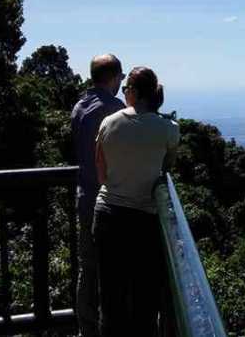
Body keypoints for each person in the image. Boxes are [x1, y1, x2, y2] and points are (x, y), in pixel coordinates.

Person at [93, 66, 180, 337]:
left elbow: (101, 173)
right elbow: (165, 170)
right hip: (145, 220)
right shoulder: (169, 129)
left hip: (107, 215)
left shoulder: (109, 123)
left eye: (126, 89)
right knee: (145, 301)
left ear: (133, 92)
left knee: (110, 299)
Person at [70, 54, 126, 337]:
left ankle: (87, 329)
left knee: (87, 268)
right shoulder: (114, 110)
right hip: (109, 202)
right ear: (114, 77)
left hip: (83, 198)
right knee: (114, 271)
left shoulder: (79, 107)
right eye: (122, 78)